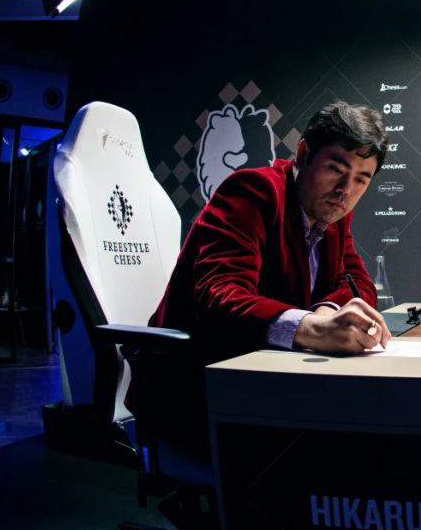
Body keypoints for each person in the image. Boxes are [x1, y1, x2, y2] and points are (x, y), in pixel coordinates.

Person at [134, 101, 394, 459]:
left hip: (266, 387)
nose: (345, 190)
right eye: (336, 168)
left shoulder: (331, 215)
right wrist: (315, 328)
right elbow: (220, 297)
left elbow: (356, 283)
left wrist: (327, 310)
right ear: (303, 154)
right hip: (196, 390)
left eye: (361, 180)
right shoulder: (250, 192)